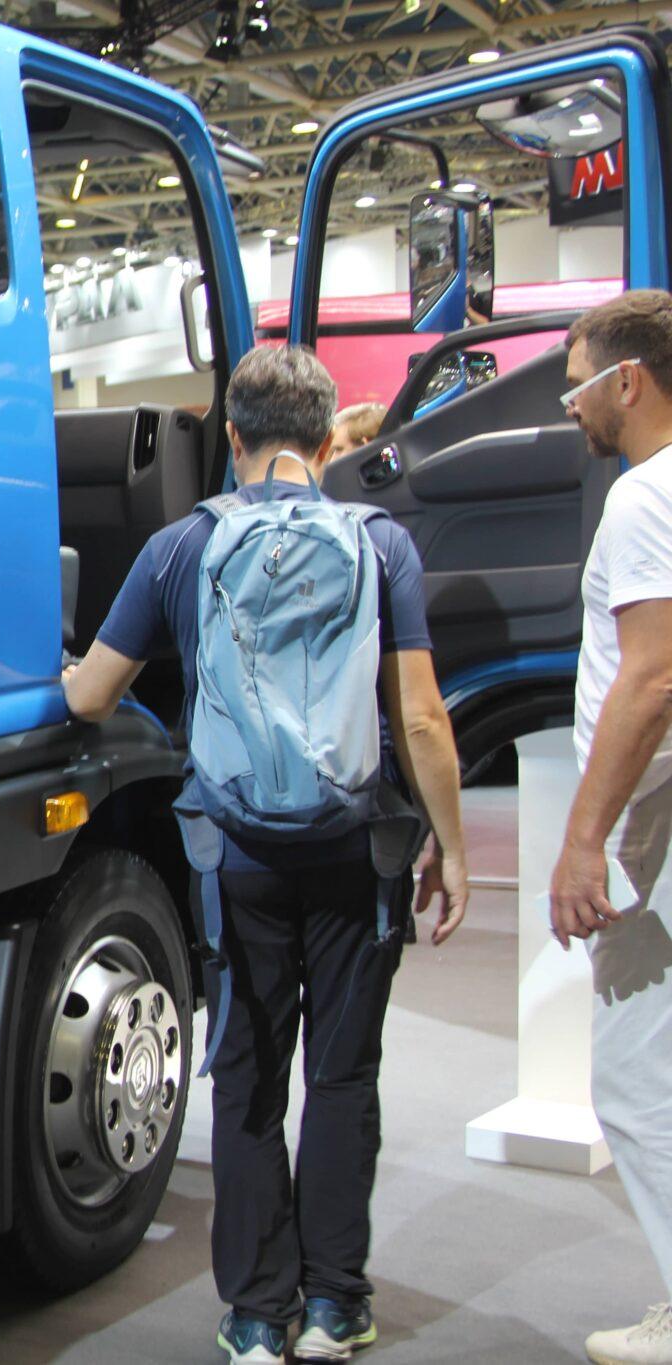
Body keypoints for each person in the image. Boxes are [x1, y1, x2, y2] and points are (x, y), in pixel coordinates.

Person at [62, 346, 468, 1365]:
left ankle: (253, 1316)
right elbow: (420, 717)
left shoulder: (180, 546)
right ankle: (334, 1308)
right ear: (327, 443)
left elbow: (92, 695)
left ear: (231, 436)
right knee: (341, 1077)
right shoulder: (380, 543)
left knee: (245, 1079)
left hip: (235, 853)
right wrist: (451, 848)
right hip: (354, 850)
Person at [545, 291, 672, 1365]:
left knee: (635, 1083)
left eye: (576, 383)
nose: (570, 405)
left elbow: (650, 678)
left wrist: (584, 840)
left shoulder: (641, 497)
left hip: (653, 820)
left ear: (626, 380)